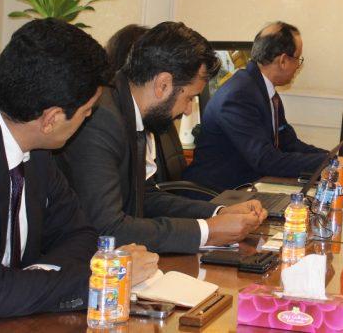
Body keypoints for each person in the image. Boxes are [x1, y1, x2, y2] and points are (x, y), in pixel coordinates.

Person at [0, 19, 158, 325]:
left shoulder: (36, 144)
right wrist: (104, 277)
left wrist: (27, 281)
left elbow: (81, 234)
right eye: (86, 112)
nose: (89, 118)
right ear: (52, 119)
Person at [58, 22, 266, 254]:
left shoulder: (129, 110)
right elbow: (107, 229)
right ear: (163, 84)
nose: (188, 110)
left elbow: (145, 197)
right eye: (189, 98)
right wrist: (209, 231)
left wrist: (219, 212)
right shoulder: (101, 119)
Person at [183, 22, 328, 191]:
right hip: (218, 193)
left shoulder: (263, 91)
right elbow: (265, 160)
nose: (298, 66)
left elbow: (288, 143)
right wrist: (328, 163)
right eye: (298, 59)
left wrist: (330, 157)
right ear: (283, 61)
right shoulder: (238, 95)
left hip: (247, 187)